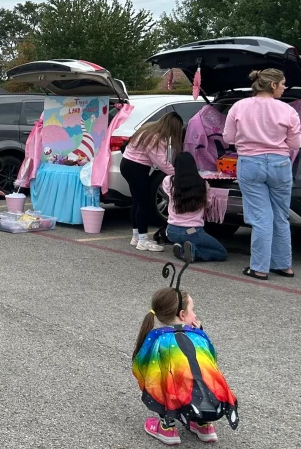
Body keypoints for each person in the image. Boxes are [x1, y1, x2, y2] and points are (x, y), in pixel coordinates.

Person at [133, 282, 238, 444]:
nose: (195, 315)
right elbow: (212, 357)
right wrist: (200, 331)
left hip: (177, 395)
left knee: (161, 380)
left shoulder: (157, 337)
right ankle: (204, 426)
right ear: (182, 315)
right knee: (200, 378)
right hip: (211, 396)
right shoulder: (199, 336)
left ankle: (167, 429)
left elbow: (142, 364)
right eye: (193, 310)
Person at [223, 68, 301, 280]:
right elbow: (295, 143)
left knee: (260, 218)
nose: (285, 88)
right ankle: (284, 265)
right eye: (283, 83)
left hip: (250, 163)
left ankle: (259, 267)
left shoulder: (239, 107)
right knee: (280, 216)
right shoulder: (288, 111)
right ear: (273, 85)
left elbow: (228, 137)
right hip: (279, 164)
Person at [119, 112, 184, 252]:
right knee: (144, 203)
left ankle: (136, 236)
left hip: (127, 164)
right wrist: (180, 174)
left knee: (136, 201)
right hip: (137, 168)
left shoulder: (147, 129)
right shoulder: (156, 138)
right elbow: (162, 163)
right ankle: (143, 240)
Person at [163, 153, 228, 262]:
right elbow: (208, 204)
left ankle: (182, 247)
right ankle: (193, 251)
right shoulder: (203, 184)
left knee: (190, 239)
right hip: (192, 231)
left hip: (171, 231)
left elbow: (167, 193)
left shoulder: (168, 181)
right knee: (221, 252)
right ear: (194, 165)